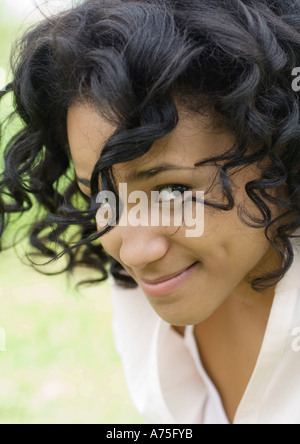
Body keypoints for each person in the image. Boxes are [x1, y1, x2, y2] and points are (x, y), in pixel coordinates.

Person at [1, 0, 300, 424]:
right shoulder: (142, 285)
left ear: (279, 145)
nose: (134, 253)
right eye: (100, 197)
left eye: (172, 190)